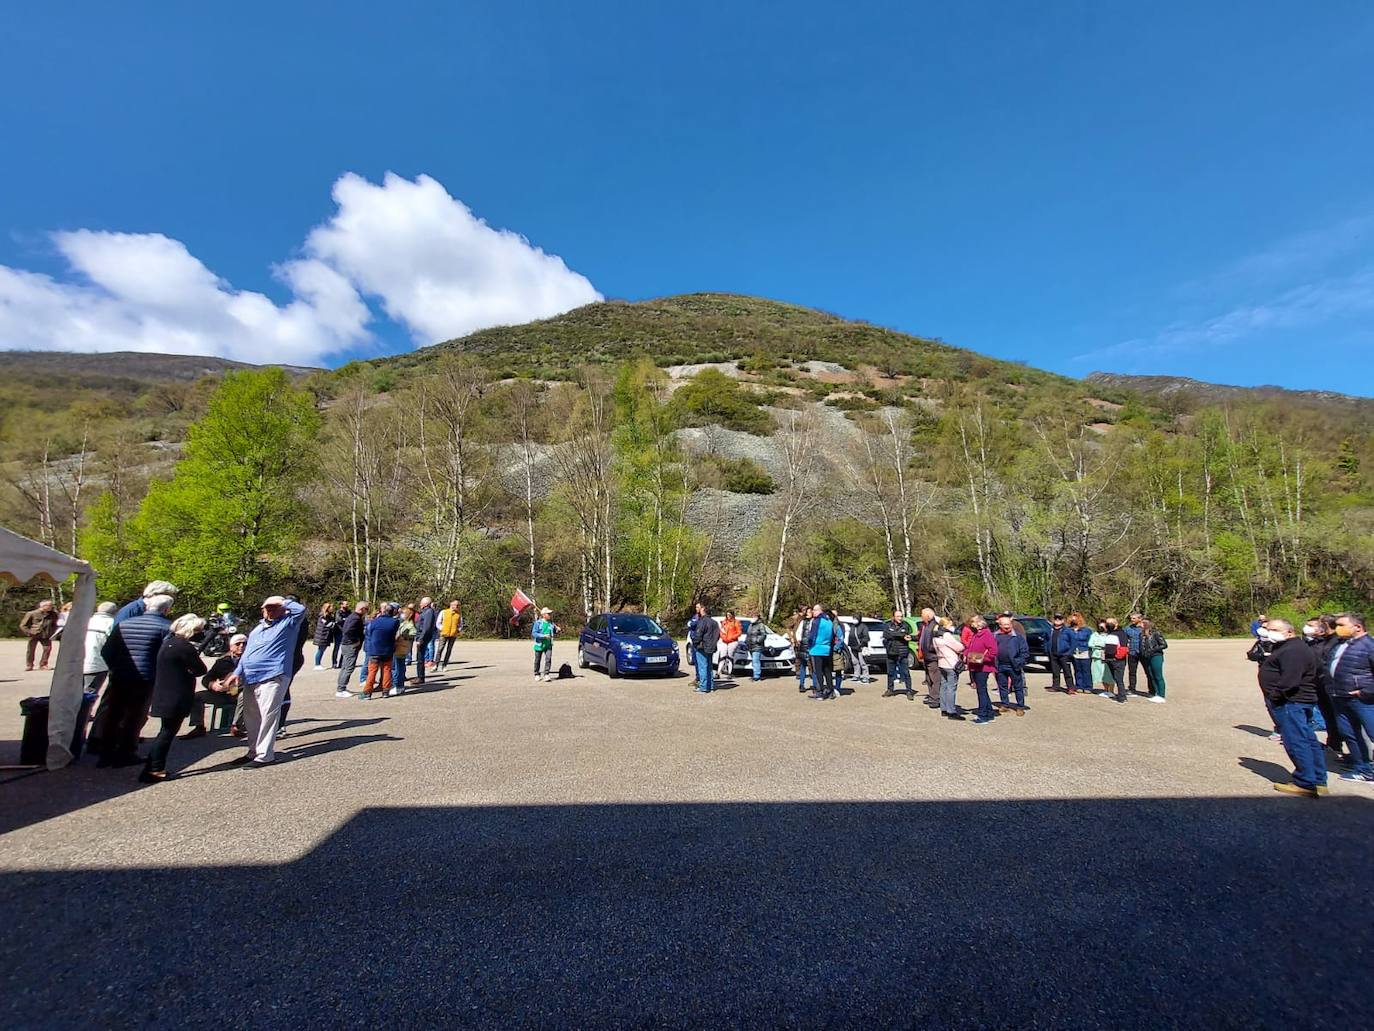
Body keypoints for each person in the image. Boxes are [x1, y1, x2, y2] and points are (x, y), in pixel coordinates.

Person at [90, 593, 175, 767]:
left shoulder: (123, 624)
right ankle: (126, 752)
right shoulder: (166, 627)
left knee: (113, 714)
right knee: (134, 716)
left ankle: (105, 754)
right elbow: (165, 657)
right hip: (145, 678)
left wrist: (115, 667)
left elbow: (106, 651)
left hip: (120, 676)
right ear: (167, 609)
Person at [222, 595, 306, 768]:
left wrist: (282, 602)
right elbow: (247, 654)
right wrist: (237, 672)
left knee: (268, 715)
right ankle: (253, 751)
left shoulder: (288, 624)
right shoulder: (257, 629)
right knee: (251, 717)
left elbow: (301, 610)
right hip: (251, 677)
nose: (270, 611)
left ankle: (265, 755)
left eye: (274, 608)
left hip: (273, 675)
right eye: (267, 608)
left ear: (283, 608)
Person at [1258, 619, 1328, 796]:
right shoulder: (1289, 647)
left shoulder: (1294, 650)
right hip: (1295, 701)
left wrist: (1275, 696)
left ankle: (1305, 782)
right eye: (1268, 629)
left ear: (1289, 632)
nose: (1269, 632)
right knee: (1308, 740)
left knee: (1296, 741)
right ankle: (1318, 779)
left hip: (1291, 702)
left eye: (1274, 629)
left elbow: (1290, 680)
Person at [139, 614, 209, 783]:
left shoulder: (168, 643)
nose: (200, 633)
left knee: (165, 732)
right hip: (176, 696)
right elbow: (200, 669)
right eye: (198, 630)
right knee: (167, 734)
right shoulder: (184, 647)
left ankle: (152, 766)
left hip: (165, 693)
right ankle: (155, 769)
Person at [1329, 612, 1374, 785]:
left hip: (1362, 699)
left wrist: (1366, 691)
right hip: (1340, 696)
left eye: (1341, 625)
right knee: (1350, 733)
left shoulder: (1369, 646)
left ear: (1357, 627)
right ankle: (1363, 769)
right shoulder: (1342, 643)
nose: (1337, 628)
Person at [182, 634, 247, 738]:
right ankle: (198, 726)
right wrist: (213, 685)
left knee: (244, 695)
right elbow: (206, 678)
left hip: (242, 695)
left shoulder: (251, 661)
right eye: (238, 644)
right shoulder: (222, 661)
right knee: (197, 697)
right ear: (231, 646)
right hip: (224, 694)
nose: (241, 646)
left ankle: (236, 726)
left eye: (244, 644)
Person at [964, 616, 999, 724]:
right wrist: (965, 655)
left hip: (983, 667)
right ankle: (989, 711)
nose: (971, 625)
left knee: (981, 691)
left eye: (973, 623)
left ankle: (983, 715)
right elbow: (970, 647)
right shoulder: (975, 634)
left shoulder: (987, 634)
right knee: (981, 689)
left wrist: (981, 658)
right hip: (974, 666)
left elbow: (993, 651)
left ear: (979, 623)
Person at [360, 603, 399, 698]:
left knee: (372, 671)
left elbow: (368, 633)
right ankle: (386, 691)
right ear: (393, 612)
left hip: (374, 649)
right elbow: (394, 633)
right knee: (387, 670)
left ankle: (367, 692)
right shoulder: (395, 622)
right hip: (388, 649)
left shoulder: (374, 622)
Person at [993, 614, 1029, 714]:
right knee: (1002, 686)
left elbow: (1025, 652)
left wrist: (1019, 662)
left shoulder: (1018, 636)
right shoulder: (995, 636)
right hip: (1000, 665)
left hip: (1014, 666)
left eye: (1008, 624)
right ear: (1000, 625)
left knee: (1018, 687)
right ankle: (1004, 704)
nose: (1007, 626)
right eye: (1004, 624)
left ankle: (1020, 707)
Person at [933, 616, 966, 719]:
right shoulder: (946, 635)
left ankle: (944, 708)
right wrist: (961, 644)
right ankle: (951, 711)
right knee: (951, 687)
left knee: (944, 686)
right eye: (950, 624)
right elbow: (959, 647)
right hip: (951, 663)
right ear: (946, 625)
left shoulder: (936, 635)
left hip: (942, 663)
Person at [83, 601, 118, 694]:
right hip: (96, 664)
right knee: (88, 694)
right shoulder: (112, 624)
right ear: (115, 612)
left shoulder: (86, 621)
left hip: (77, 663)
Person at [805, 603, 837, 701]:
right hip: (826, 649)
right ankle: (831, 691)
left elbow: (812, 635)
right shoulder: (829, 621)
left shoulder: (816, 621)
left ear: (820, 611)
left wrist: (809, 644)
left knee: (818, 672)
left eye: (815, 610)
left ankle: (819, 692)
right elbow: (832, 635)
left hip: (816, 649)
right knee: (827, 671)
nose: (813, 612)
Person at [336, 602, 369, 698]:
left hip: (346, 644)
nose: (367, 612)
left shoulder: (352, 616)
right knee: (349, 667)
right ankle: (341, 689)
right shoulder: (355, 618)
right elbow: (347, 631)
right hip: (350, 645)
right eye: (366, 609)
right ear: (362, 609)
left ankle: (341, 687)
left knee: (345, 667)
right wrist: (356, 641)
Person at [113, 580, 178, 626]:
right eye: (169, 596)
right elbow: (117, 633)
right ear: (155, 594)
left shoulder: (153, 609)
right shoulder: (132, 610)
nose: (170, 600)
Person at [882, 611, 915, 699]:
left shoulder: (905, 625)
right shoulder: (888, 625)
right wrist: (900, 635)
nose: (900, 618)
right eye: (898, 616)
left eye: (901, 616)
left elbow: (905, 633)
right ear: (893, 617)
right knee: (890, 673)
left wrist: (896, 635)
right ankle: (890, 689)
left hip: (902, 652)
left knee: (905, 673)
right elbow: (887, 634)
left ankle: (909, 691)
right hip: (891, 652)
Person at [19, 599, 58, 671]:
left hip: (46, 635)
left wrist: (52, 632)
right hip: (34, 634)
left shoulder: (53, 614)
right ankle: (29, 665)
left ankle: (43, 664)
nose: (51, 607)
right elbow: (23, 625)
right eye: (50, 605)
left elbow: (55, 624)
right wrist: (30, 632)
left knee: (47, 649)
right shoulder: (32, 613)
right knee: (31, 650)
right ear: (43, 606)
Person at [689, 603, 720, 693]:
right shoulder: (715, 623)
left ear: (703, 610)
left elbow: (698, 635)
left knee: (702, 667)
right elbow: (717, 635)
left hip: (701, 647)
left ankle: (703, 687)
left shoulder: (702, 622)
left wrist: (694, 642)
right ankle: (710, 686)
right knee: (709, 667)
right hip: (711, 647)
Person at [1098, 618, 1129, 702]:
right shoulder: (1109, 633)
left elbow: (1123, 648)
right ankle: (1121, 695)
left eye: (1111, 623)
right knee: (1116, 678)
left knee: (1119, 679)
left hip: (1117, 660)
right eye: (1107, 623)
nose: (1108, 624)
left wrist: (1117, 657)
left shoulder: (1121, 634)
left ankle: (1122, 697)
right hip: (1110, 659)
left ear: (1116, 624)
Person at [1138, 619, 1168, 702]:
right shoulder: (1141, 634)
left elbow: (1164, 645)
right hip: (1146, 657)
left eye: (1141, 623)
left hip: (1156, 656)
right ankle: (1156, 693)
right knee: (1151, 675)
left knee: (1158, 675)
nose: (1139, 624)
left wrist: (1153, 649)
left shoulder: (1156, 633)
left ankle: (1161, 695)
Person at [916, 607, 940, 706]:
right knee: (929, 678)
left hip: (933, 656)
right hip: (926, 656)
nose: (921, 617)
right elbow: (922, 638)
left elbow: (937, 641)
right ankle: (932, 696)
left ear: (928, 616)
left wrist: (931, 649)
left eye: (922, 615)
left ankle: (936, 698)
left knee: (935, 678)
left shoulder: (935, 626)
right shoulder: (925, 626)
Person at [391, 604, 417, 694]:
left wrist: (403, 636)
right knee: (400, 667)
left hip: (401, 648)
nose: (401, 614)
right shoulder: (402, 623)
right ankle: (400, 685)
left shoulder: (409, 625)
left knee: (397, 668)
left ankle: (397, 685)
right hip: (399, 648)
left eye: (403, 613)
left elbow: (413, 634)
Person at [412, 597, 438, 684]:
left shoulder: (428, 612)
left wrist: (421, 639)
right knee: (419, 657)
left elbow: (426, 627)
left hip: (423, 637)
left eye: (421, 603)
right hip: (421, 636)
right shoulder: (425, 611)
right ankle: (419, 676)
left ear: (426, 604)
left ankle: (421, 677)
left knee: (420, 657)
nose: (420, 604)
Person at [1067, 612, 1092, 697]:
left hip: (1084, 652)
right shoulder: (1069, 630)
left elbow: (1090, 641)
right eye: (1072, 619)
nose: (1074, 621)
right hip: (1074, 653)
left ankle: (1088, 687)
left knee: (1086, 671)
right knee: (1077, 670)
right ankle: (1079, 686)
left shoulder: (1086, 630)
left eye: (1076, 619)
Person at [533, 607, 560, 682]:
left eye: (550, 613)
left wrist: (557, 630)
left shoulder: (551, 623)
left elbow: (553, 632)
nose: (550, 615)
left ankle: (546, 674)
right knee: (537, 660)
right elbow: (534, 633)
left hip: (548, 645)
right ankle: (537, 674)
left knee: (548, 659)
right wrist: (543, 636)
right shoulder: (538, 623)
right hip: (539, 645)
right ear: (544, 615)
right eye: (548, 614)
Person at [790, 607, 812, 694]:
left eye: (810, 612)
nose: (808, 613)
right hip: (803, 646)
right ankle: (801, 684)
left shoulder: (815, 622)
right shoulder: (803, 622)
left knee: (813, 666)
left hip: (812, 646)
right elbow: (797, 632)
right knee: (802, 665)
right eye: (807, 612)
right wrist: (798, 640)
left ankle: (815, 684)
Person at [1124, 612, 1146, 694]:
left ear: (1139, 619)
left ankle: (1152, 690)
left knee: (1148, 671)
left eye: (1134, 618)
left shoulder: (1145, 628)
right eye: (1131, 618)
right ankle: (1132, 688)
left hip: (1143, 652)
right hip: (1132, 652)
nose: (1131, 620)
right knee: (1132, 672)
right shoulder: (1127, 629)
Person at [437, 600, 462, 669]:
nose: (456, 606)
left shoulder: (458, 614)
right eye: (455, 605)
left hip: (453, 634)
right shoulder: (444, 612)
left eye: (458, 605)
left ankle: (444, 665)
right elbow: (438, 622)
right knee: (440, 649)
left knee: (449, 650)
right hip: (444, 633)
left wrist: (458, 630)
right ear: (451, 605)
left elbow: (460, 624)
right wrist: (442, 628)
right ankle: (436, 664)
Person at [311, 602, 336, 670]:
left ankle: (318, 664)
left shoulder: (329, 615)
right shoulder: (323, 616)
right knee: (320, 650)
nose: (332, 608)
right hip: (322, 635)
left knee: (322, 649)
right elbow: (328, 625)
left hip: (326, 635)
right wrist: (334, 623)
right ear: (327, 608)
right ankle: (317, 664)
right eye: (331, 607)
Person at [745, 614, 768, 682]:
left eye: (754, 617)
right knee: (754, 661)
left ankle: (757, 676)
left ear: (757, 618)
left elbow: (763, 635)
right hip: (750, 645)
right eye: (752, 616)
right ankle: (755, 674)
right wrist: (746, 641)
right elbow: (748, 634)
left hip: (757, 646)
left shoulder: (761, 625)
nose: (752, 618)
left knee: (756, 660)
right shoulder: (751, 625)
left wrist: (757, 641)